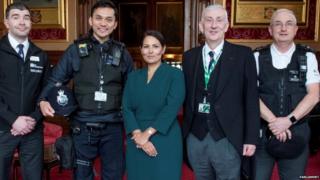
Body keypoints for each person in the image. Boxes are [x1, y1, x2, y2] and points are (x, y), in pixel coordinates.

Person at [38, 0, 133, 179]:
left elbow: (133, 90)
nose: (103, 23)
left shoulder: (123, 54)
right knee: (82, 175)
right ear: (90, 21)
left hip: (113, 126)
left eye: (108, 19)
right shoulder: (75, 50)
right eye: (98, 18)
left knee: (114, 175)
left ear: (115, 24)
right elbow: (55, 79)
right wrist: (42, 99)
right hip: (82, 126)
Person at [182, 4, 260, 180]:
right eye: (208, 20)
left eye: (219, 20)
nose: (213, 25)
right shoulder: (189, 57)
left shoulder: (243, 55)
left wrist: (250, 138)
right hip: (196, 138)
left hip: (228, 138)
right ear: (201, 26)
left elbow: (251, 99)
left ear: (226, 26)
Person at [254, 9, 320, 180]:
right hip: (262, 133)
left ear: (295, 30)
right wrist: (275, 123)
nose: (283, 28)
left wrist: (288, 121)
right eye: (278, 23)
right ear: (270, 30)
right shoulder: (257, 56)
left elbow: (314, 96)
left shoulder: (307, 56)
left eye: (288, 23)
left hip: (297, 132)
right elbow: (250, 95)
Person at [122, 30, 185, 180]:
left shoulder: (175, 75)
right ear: (141, 49)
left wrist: (147, 134)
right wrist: (138, 135)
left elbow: (171, 108)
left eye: (155, 46)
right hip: (136, 139)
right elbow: (126, 107)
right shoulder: (133, 77)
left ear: (163, 49)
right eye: (146, 46)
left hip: (165, 137)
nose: (150, 51)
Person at [0, 2, 51, 180]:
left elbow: (47, 93)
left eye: (26, 17)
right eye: (16, 17)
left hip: (32, 130)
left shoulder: (41, 55)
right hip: (2, 129)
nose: (22, 22)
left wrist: (33, 120)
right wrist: (13, 120)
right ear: (7, 22)